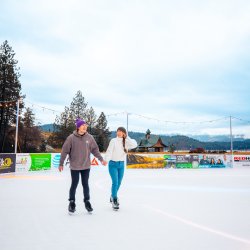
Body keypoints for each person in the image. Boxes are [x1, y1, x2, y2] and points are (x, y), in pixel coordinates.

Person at [59, 118, 107, 214]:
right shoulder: (71, 138)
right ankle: (72, 202)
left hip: (86, 166)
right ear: (78, 127)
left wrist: (101, 159)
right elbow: (64, 151)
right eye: (83, 125)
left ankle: (87, 201)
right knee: (74, 184)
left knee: (85, 184)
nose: (85, 127)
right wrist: (61, 163)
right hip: (75, 166)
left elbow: (95, 150)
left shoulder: (89, 137)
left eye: (86, 125)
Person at [105, 127, 137, 210]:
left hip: (121, 165)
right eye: (118, 131)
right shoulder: (113, 141)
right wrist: (106, 160)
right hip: (113, 164)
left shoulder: (126, 142)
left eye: (121, 131)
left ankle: (112, 196)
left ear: (124, 133)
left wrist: (127, 137)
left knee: (119, 182)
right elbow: (109, 151)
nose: (118, 132)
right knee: (115, 182)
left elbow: (134, 145)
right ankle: (115, 199)